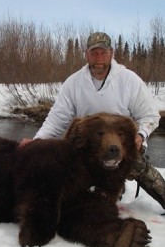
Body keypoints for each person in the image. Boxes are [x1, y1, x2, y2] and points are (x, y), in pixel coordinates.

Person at [20, 32, 165, 210]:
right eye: (94, 53)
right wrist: (37, 142)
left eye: (103, 53)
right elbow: (57, 119)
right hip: (88, 147)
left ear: (111, 53)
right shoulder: (73, 83)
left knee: (138, 166)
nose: (99, 58)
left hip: (120, 146)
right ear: (86, 55)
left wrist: (140, 136)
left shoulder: (129, 80)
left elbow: (150, 115)